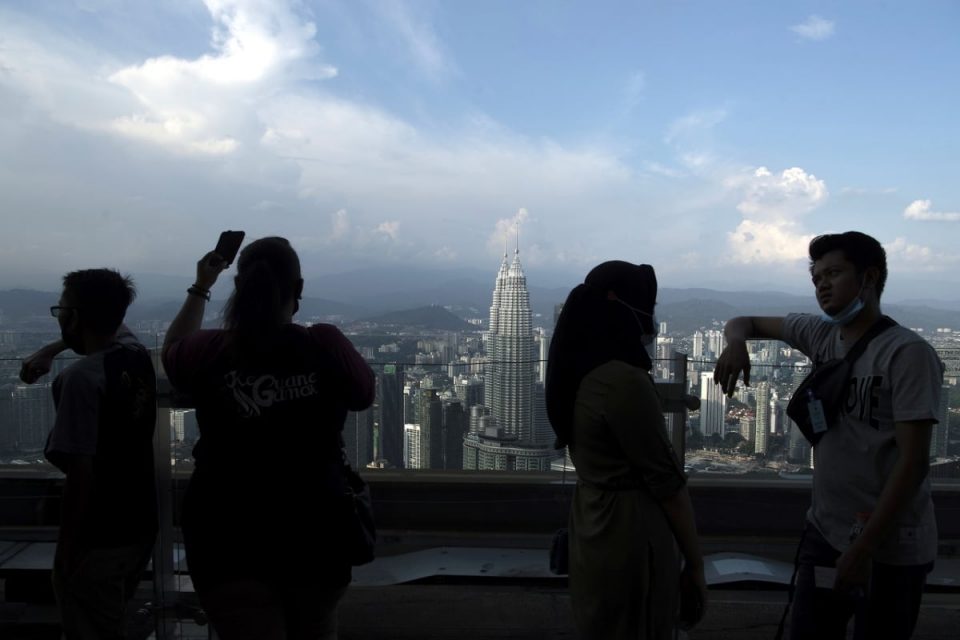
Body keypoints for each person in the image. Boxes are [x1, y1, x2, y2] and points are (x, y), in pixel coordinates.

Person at [713, 231, 943, 640]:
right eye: (816, 277)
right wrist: (734, 344)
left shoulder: (906, 354)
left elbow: (913, 463)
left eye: (833, 273)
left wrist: (865, 547)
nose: (821, 285)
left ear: (869, 278)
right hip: (827, 533)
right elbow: (743, 322)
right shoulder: (821, 334)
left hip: (891, 548)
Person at [162, 236, 375, 640]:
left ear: (239, 289)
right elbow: (363, 393)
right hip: (316, 528)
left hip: (226, 531)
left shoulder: (208, 350)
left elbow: (172, 350)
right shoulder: (323, 344)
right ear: (298, 290)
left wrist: (201, 286)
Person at [546, 260, 707, 639]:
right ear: (620, 306)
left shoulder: (581, 369)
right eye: (646, 306)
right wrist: (696, 566)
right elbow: (668, 483)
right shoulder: (622, 381)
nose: (650, 318)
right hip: (629, 535)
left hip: (592, 525)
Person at [20, 269, 158, 640]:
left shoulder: (81, 380)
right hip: (140, 525)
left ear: (75, 317)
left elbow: (81, 475)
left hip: (98, 537)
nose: (59, 315)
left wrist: (65, 555)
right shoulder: (136, 355)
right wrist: (53, 348)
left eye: (60, 310)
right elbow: (112, 331)